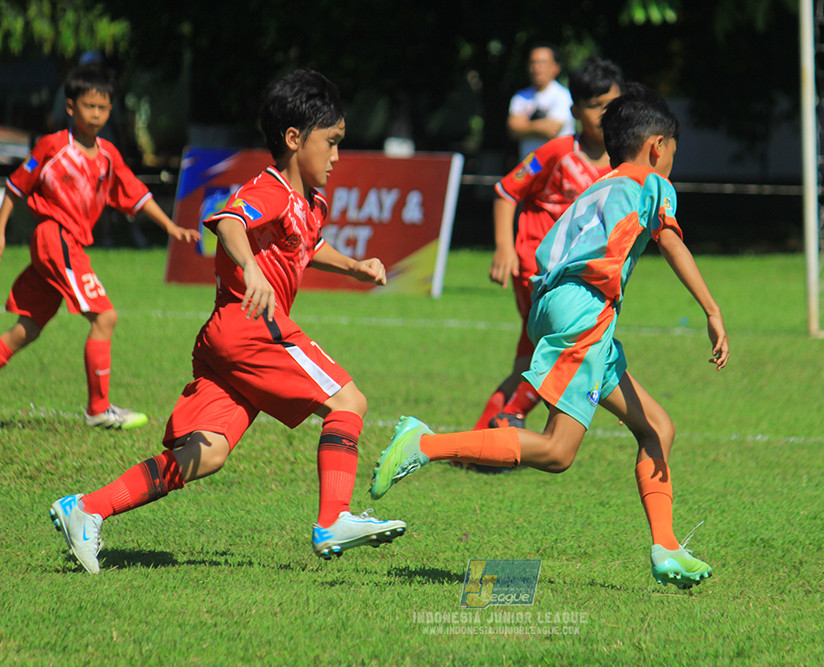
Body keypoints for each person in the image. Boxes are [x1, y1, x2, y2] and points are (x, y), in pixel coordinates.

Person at [370, 84, 730, 590]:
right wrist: (712, 310)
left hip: (557, 306)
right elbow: (670, 240)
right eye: (672, 149)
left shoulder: (599, 186)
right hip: (585, 312)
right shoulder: (652, 184)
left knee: (658, 429)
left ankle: (666, 548)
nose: (672, 159)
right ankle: (425, 442)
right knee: (559, 452)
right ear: (656, 148)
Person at [48, 69, 406, 575]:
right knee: (348, 402)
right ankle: (334, 520)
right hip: (251, 326)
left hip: (225, 341)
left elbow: (306, 244)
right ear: (293, 139)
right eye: (331, 143)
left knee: (208, 453)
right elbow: (230, 221)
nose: (336, 156)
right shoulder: (272, 188)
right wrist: (252, 268)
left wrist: (355, 266)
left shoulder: (310, 201)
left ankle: (86, 508)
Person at [0, 64, 200, 429]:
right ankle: (98, 409)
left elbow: (135, 194)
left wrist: (171, 226)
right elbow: (15, 187)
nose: (96, 114)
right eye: (89, 106)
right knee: (105, 317)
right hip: (54, 238)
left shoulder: (108, 154)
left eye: (103, 108)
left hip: (67, 243)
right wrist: (0, 231)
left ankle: (98, 408)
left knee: (27, 328)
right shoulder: (53, 146)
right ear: (71, 107)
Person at [472, 57, 624, 445]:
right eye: (594, 106)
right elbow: (507, 191)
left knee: (529, 361)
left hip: (576, 278)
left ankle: (477, 444)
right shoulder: (559, 151)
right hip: (538, 269)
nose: (604, 114)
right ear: (574, 110)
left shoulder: (623, 161)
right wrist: (504, 247)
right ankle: (510, 419)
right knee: (563, 351)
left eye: (612, 104)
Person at [507, 43, 576, 160]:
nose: (537, 67)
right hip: (528, 168)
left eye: (543, 62)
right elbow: (513, 129)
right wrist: (541, 125)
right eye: (533, 62)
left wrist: (524, 126)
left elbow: (551, 130)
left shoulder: (563, 95)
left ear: (556, 68)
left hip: (557, 167)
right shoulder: (520, 97)